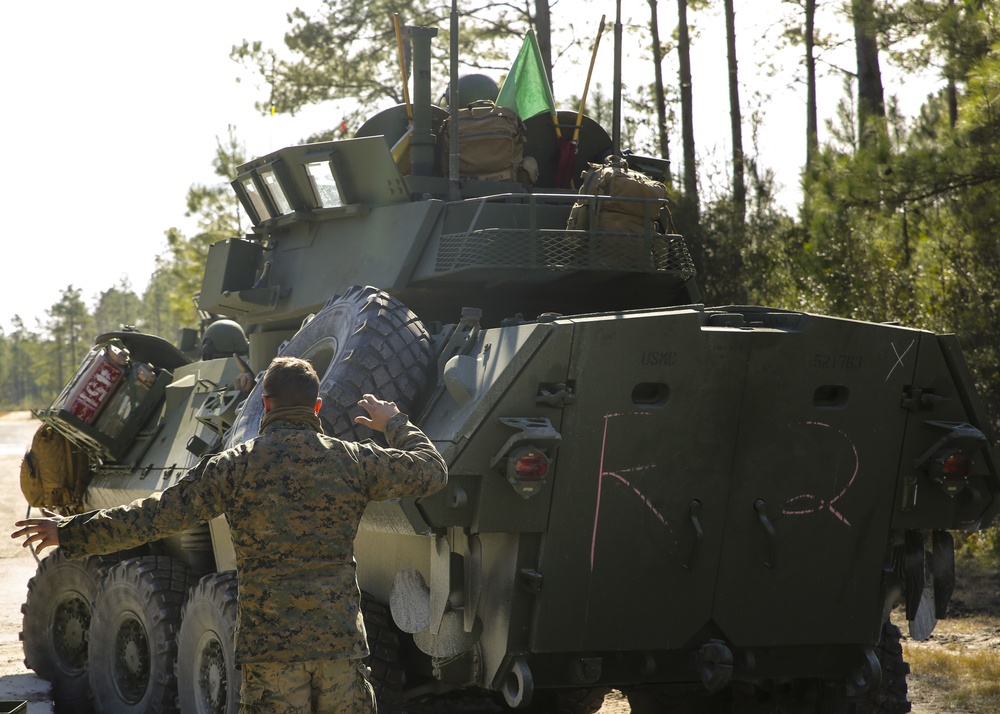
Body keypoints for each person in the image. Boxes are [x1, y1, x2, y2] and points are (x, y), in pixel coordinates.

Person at [12, 356, 448, 713]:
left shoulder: (235, 466)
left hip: (269, 652)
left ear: (266, 405)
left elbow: (155, 516)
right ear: (316, 408)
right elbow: (432, 471)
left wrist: (69, 532)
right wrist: (394, 422)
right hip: (340, 649)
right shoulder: (352, 461)